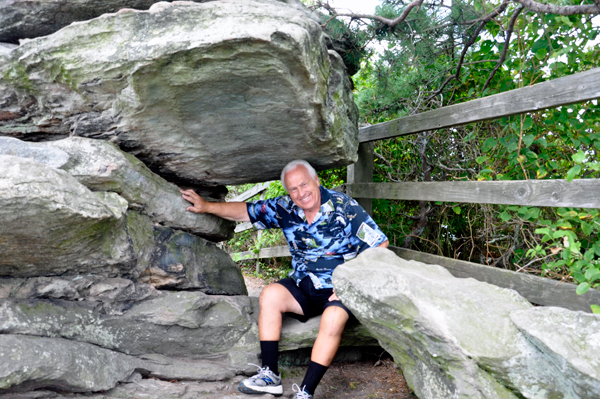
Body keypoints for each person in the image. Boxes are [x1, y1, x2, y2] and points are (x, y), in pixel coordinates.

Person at [181, 160, 389, 399]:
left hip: (339, 289)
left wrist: (349, 284)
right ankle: (270, 376)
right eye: (293, 189)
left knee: (332, 319)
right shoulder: (285, 208)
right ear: (288, 192)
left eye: (304, 184)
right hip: (303, 284)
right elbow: (245, 211)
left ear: (316, 181)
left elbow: (379, 244)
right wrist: (207, 206)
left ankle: (306, 392)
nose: (301, 193)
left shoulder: (344, 207)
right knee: (270, 295)